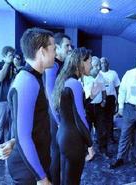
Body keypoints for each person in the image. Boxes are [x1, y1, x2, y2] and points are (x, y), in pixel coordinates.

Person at [7, 27, 55, 185]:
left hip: (33, 162)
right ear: (42, 51)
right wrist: (41, 178)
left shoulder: (34, 77)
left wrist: (13, 141)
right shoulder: (27, 80)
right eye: (53, 49)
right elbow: (24, 137)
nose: (55, 53)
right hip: (28, 170)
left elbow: (28, 124)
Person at [52, 47, 93, 185]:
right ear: (81, 62)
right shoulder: (74, 84)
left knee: (65, 180)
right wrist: (90, 144)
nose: (91, 65)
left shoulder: (63, 81)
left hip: (63, 135)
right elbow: (80, 118)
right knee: (72, 181)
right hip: (74, 140)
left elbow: (60, 110)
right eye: (90, 62)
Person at [44, 32, 72, 185]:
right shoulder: (52, 65)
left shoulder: (61, 64)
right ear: (58, 47)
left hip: (60, 115)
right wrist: (59, 120)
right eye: (67, 45)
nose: (69, 48)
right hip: (54, 116)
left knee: (61, 154)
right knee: (56, 153)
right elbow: (51, 94)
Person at [82, 56, 109, 158]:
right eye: (96, 65)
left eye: (99, 65)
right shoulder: (83, 77)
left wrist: (104, 100)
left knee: (102, 129)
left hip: (98, 107)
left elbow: (103, 90)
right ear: (90, 66)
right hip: (87, 107)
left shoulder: (100, 76)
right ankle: (87, 152)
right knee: (87, 130)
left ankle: (103, 150)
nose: (99, 67)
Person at [0, 46, 15, 152]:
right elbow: (0, 78)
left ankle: (6, 147)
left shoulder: (14, 66)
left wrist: (16, 66)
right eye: (10, 55)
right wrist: (7, 63)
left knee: (9, 125)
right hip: (1, 99)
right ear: (4, 56)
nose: (12, 57)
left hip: (12, 100)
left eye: (13, 55)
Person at [100, 57, 120, 143]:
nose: (103, 64)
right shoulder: (98, 73)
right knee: (101, 119)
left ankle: (110, 137)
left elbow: (117, 87)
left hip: (111, 98)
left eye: (105, 63)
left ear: (108, 64)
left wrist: (118, 100)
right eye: (101, 63)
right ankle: (102, 138)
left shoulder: (113, 73)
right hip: (101, 99)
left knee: (110, 119)